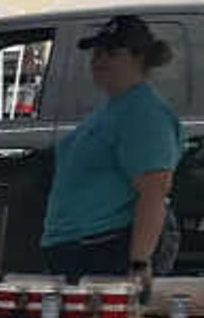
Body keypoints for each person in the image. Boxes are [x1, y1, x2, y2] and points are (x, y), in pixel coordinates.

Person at [40, 14, 184, 282]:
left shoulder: (144, 112)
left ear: (139, 57)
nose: (98, 60)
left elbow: (155, 189)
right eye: (96, 52)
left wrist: (139, 262)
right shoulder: (115, 107)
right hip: (82, 249)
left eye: (111, 52)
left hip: (107, 249)